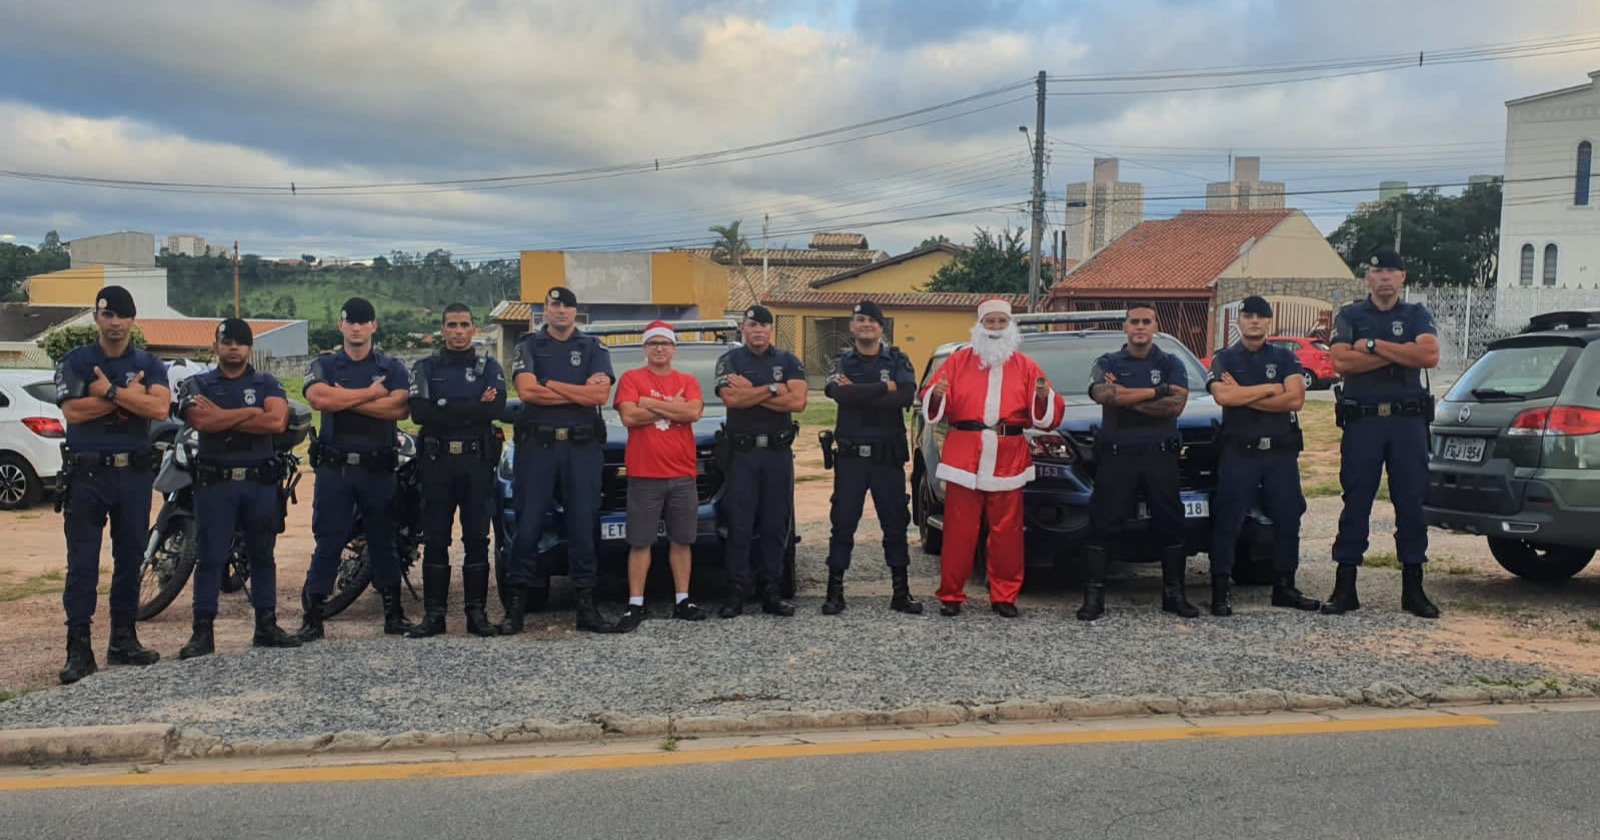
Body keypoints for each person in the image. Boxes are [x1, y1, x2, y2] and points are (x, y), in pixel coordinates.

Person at [52, 286, 171, 684]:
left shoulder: (149, 363)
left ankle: (123, 639)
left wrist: (107, 391)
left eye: (122, 315)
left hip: (133, 476)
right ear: (96, 317)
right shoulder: (76, 361)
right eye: (108, 314)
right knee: (82, 563)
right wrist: (126, 398)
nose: (115, 323)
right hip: (88, 476)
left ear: (133, 320)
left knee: (131, 559)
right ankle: (78, 649)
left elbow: (159, 408)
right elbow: (74, 411)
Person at [919, 298, 1064, 618]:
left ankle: (1004, 595)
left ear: (1009, 325)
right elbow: (932, 397)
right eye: (990, 322)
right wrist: (937, 395)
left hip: (1008, 456)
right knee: (959, 531)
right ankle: (951, 594)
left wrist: (1044, 398)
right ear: (980, 325)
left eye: (1001, 321)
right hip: (964, 454)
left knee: (1007, 533)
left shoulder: (1026, 366)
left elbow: (1046, 413)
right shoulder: (957, 361)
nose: (996, 327)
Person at [172, 319, 301, 657]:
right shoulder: (198, 384)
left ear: (249, 348)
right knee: (210, 557)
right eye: (227, 341)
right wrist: (250, 411)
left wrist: (224, 416)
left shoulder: (267, 382)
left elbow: (276, 421)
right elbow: (201, 421)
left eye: (240, 342)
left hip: (259, 484)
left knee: (262, 556)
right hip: (217, 484)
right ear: (215, 346)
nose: (233, 348)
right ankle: (202, 633)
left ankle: (266, 625)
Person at [1324, 249, 1442, 618]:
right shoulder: (1350, 315)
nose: (1385, 277)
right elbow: (1341, 361)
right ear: (1368, 278)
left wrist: (1374, 346)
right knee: (1356, 501)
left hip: (1407, 424)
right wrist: (1402, 352)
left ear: (1402, 277)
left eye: (1392, 270)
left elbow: (1429, 356)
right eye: (1377, 271)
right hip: (1364, 423)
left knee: (1411, 503)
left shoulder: (1416, 314)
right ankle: (1345, 587)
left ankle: (1413, 589)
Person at [499, 287, 619, 634]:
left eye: (567, 306)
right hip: (538, 449)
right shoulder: (529, 346)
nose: (561, 310)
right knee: (528, 525)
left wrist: (550, 383)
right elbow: (527, 392)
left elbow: (599, 395)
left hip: (581, 450)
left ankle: (586, 608)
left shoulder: (593, 348)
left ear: (575, 312)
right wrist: (578, 392)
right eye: (555, 305)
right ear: (546, 310)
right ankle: (516, 608)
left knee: (583, 524)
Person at [298, 297, 417, 640]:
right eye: (350, 321)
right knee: (329, 541)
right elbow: (319, 399)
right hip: (335, 470)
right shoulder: (325, 364)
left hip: (378, 469)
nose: (356, 327)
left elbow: (400, 408)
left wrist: (346, 400)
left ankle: (393, 615)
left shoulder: (391, 366)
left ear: (373, 326)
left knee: (383, 541)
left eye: (363, 321)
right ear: (341, 325)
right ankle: (314, 616)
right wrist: (370, 394)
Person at [1204, 297, 1320, 617]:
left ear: (1269, 322)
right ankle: (1220, 589)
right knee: (1228, 521)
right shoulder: (1224, 358)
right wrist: (1271, 388)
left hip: (1279, 456)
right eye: (1249, 315)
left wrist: (1244, 395)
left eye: (1261, 316)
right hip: (1239, 453)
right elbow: (1223, 396)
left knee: (1288, 518)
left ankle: (1285, 586)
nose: (1254, 320)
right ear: (1239, 321)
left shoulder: (1285, 357)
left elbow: (1295, 400)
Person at [1082, 303, 1193, 621]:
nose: (1140, 327)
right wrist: (1156, 392)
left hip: (1160, 456)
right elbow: (1103, 395)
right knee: (1103, 524)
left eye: (1146, 321)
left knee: (1171, 524)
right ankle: (1094, 598)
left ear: (1155, 325)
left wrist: (1127, 397)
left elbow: (1175, 405)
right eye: (1135, 322)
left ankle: (1174, 595)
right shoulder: (1107, 362)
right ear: (1125, 327)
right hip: (1118, 457)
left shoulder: (1171, 362)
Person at [405, 304, 506, 638]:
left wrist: (444, 405)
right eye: (452, 325)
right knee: (436, 539)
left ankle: (476, 615)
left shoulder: (489, 367)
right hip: (438, 463)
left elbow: (495, 408)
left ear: (474, 329)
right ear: (443, 329)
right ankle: (434, 616)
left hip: (476, 463)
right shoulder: (425, 367)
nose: (458, 331)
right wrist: (475, 406)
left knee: (477, 538)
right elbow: (420, 413)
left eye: (464, 324)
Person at [820, 300, 922, 615]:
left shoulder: (898, 359)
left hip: (886, 458)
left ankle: (901, 593)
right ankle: (834, 592)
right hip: (851, 458)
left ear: (881, 327)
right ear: (852, 326)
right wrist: (882, 387)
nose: (866, 325)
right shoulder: (841, 361)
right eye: (860, 320)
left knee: (895, 524)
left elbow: (905, 396)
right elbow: (839, 394)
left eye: (872, 321)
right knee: (843, 523)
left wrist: (860, 393)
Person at [611, 320, 709, 631]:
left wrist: (649, 403)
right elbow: (629, 416)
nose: (659, 348)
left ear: (673, 348)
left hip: (682, 473)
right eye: (653, 343)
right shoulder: (631, 378)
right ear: (645, 347)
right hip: (644, 474)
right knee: (640, 541)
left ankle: (683, 600)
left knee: (682, 539)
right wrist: (670, 405)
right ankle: (635, 603)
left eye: (665, 343)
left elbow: (692, 412)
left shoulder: (688, 380)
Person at [713, 305, 807, 618]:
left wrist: (753, 392)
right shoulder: (730, 360)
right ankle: (736, 592)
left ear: (771, 329)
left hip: (777, 455)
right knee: (739, 524)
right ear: (743, 328)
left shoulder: (788, 361)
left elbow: (798, 401)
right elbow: (732, 399)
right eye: (752, 325)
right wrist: (773, 389)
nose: (758, 331)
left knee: (775, 524)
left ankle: (772, 592)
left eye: (764, 325)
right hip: (743, 456)